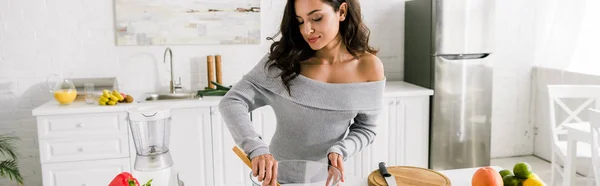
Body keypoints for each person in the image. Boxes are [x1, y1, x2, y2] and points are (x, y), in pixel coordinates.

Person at [218, 0, 385, 185]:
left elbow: (366, 128)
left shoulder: (369, 68)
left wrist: (341, 149)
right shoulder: (284, 62)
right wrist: (256, 148)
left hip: (326, 181)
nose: (307, 30)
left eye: (316, 18)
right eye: (300, 21)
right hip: (276, 179)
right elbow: (232, 101)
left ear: (342, 11)